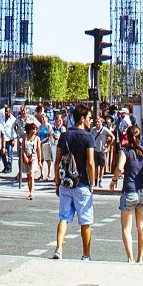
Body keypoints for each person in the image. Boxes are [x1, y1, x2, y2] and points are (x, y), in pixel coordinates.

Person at [52, 102, 97, 261]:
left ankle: (59, 248)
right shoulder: (88, 137)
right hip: (82, 183)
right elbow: (90, 162)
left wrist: (57, 182)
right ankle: (86, 254)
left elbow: (57, 161)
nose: (91, 121)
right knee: (85, 221)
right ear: (82, 119)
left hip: (66, 182)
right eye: (89, 118)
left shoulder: (64, 136)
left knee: (64, 217)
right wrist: (92, 182)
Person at [113, 126, 143, 263]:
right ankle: (140, 259)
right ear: (140, 137)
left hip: (129, 192)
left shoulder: (125, 151)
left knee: (126, 228)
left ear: (127, 137)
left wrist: (114, 180)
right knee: (142, 227)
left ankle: (130, 259)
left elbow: (119, 167)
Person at [19, 121, 39, 200]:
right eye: (32, 129)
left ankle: (31, 193)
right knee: (28, 176)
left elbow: (38, 150)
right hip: (26, 157)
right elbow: (22, 149)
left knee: (31, 174)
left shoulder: (37, 138)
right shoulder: (25, 138)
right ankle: (29, 191)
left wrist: (40, 160)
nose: (34, 131)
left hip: (34, 158)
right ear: (29, 130)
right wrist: (25, 157)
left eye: (35, 129)